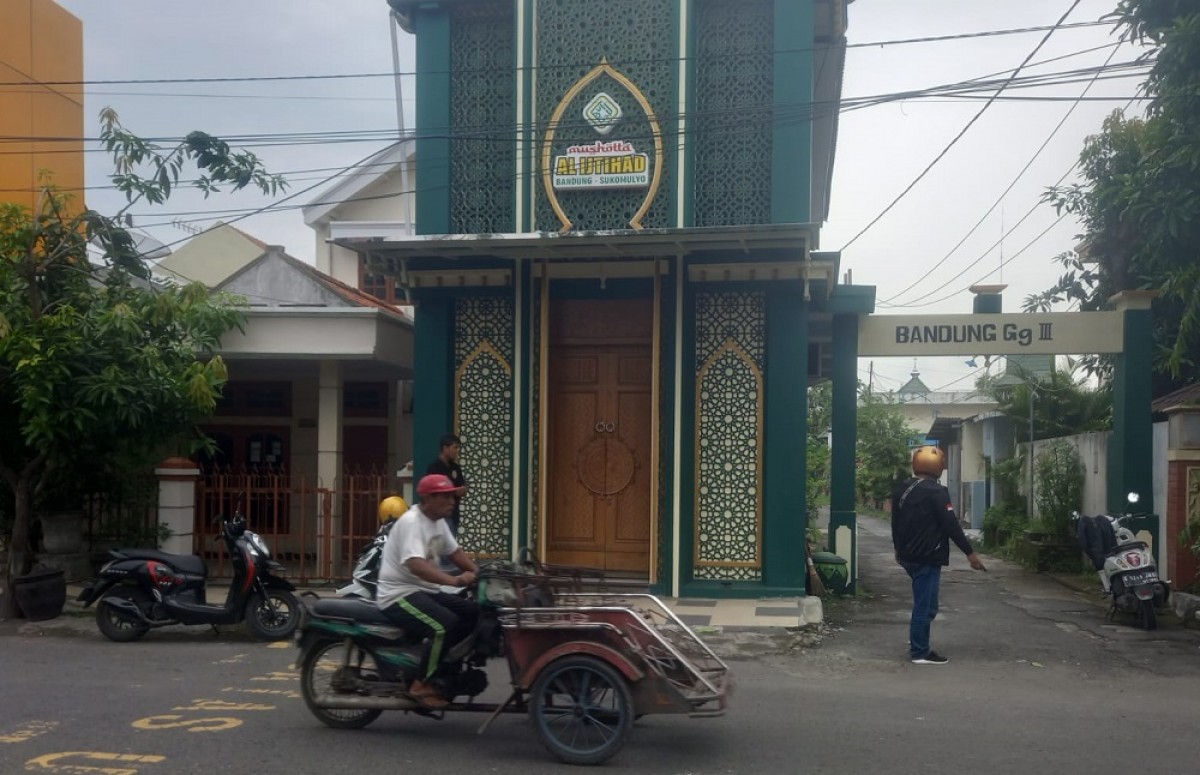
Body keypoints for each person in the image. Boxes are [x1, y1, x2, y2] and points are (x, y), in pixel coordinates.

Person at [376, 474, 479, 708]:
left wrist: (478, 572)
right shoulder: (412, 521)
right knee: (444, 626)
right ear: (428, 498)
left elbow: (454, 552)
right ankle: (420, 684)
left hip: (423, 590)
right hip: (398, 593)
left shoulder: (438, 521)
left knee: (473, 613)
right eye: (445, 496)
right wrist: (454, 581)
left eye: (452, 496)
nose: (452, 501)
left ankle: (444, 669)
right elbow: (417, 565)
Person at [891, 445, 986, 665]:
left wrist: (897, 548)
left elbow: (896, 521)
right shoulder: (937, 492)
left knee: (927, 604)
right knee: (925, 605)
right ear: (938, 467)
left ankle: (918, 641)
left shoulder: (903, 488)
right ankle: (920, 652)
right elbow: (951, 525)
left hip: (908, 555)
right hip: (927, 557)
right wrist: (970, 554)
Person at [425, 434, 467, 539]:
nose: (457, 451)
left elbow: (462, 487)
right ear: (445, 448)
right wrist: (453, 492)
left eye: (458, 448)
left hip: (453, 515)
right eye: (455, 447)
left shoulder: (456, 468)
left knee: (451, 548)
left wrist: (461, 490)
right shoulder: (434, 468)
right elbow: (433, 492)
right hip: (439, 517)